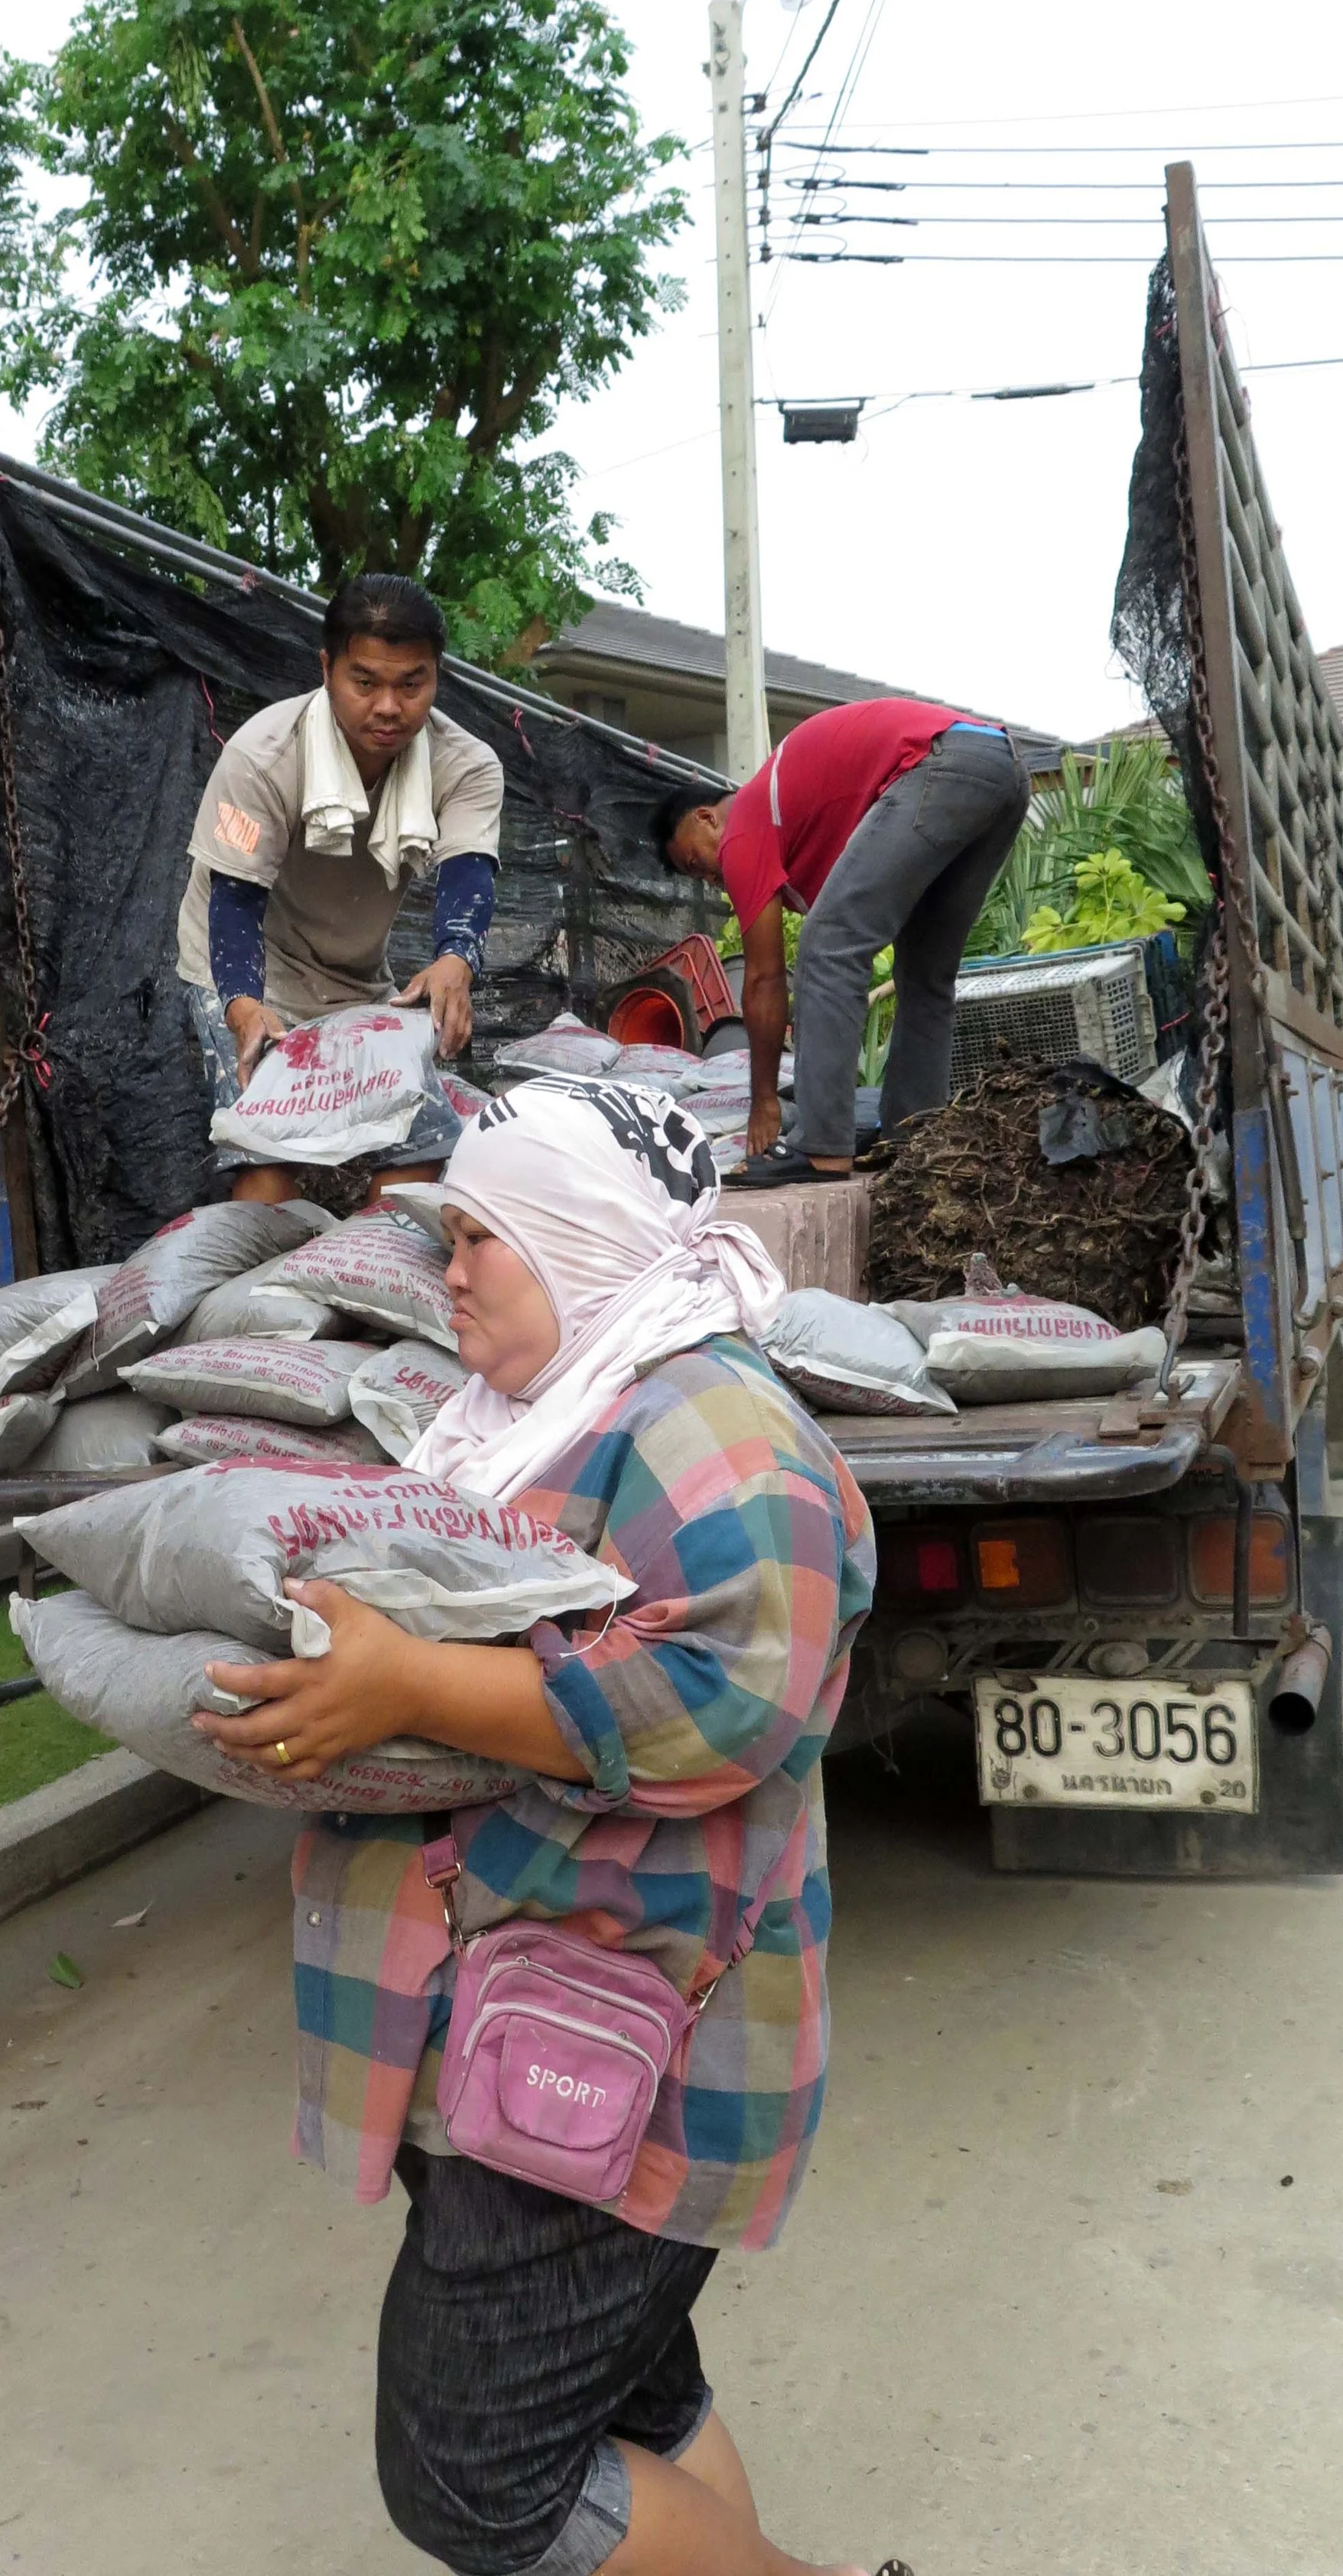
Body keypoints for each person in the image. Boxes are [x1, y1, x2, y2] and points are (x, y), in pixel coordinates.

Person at [189, 1078, 910, 2576]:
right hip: (523, 2036)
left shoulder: (712, 1430)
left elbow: (726, 1699)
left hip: (626, 2041)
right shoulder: (517, 1419)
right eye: (446, 1239)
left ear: (579, 1244)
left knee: (470, 2473)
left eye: (479, 1239)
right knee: (628, 2398)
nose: (447, 1273)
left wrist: (409, 1681)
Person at [176, 571, 504, 1200]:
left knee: (420, 1137)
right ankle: (258, 1294)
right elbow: (234, 902)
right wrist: (242, 1007)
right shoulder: (263, 756)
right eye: (366, 682)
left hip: (357, 978)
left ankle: (366, 1284)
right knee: (270, 1146)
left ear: (438, 674)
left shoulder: (467, 765)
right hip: (249, 972)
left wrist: (456, 961)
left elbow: (468, 871)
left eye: (412, 684)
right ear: (327, 669)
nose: (389, 707)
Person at [652, 697, 1029, 1186]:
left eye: (696, 864)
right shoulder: (789, 811)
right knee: (924, 975)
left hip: (941, 763)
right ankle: (915, 1140)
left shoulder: (742, 826)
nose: (708, 878)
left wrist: (765, 1100)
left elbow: (765, 978)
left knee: (828, 946)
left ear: (707, 819)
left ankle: (822, 1148)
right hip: (1002, 769)